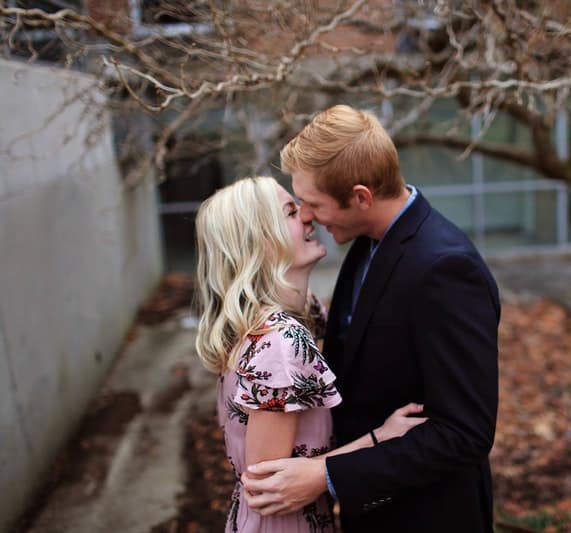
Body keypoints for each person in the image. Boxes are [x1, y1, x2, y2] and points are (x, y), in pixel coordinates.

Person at [242, 106, 501, 532]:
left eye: (313, 203)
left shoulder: (446, 269)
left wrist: (326, 475)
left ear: (361, 196)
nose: (306, 216)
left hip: (427, 517)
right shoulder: (367, 242)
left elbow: (464, 434)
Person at [194, 176, 426, 533]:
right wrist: (380, 438)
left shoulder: (300, 315)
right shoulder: (280, 342)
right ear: (261, 242)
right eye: (290, 212)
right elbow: (266, 485)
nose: (308, 216)